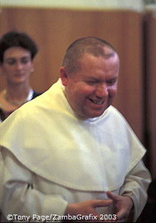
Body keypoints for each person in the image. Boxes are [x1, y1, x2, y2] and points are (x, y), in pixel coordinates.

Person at [0, 37, 151, 222]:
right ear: (65, 77)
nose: (103, 92)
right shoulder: (27, 120)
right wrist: (65, 210)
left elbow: (137, 175)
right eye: (93, 81)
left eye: (111, 81)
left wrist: (130, 199)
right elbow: (9, 198)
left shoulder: (114, 118)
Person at [0, 31, 42, 122]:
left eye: (24, 61)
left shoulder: (43, 103)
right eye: (11, 62)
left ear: (32, 64)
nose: (19, 67)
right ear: (2, 67)